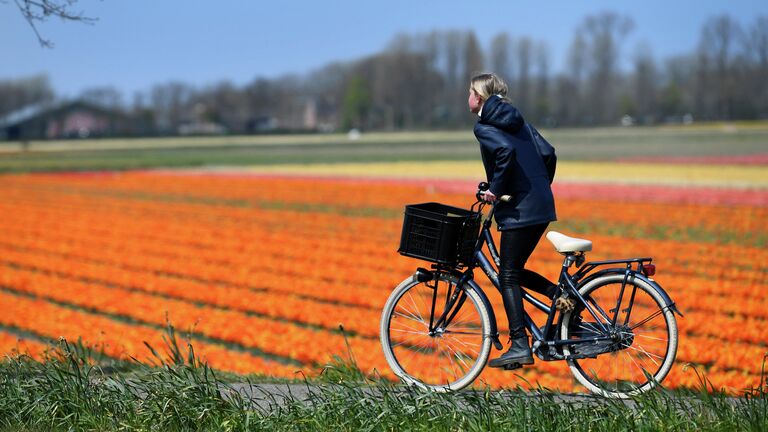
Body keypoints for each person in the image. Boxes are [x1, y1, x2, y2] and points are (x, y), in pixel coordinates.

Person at [468, 73, 558, 369]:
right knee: (515, 271)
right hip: (541, 205)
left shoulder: (484, 126)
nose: (467, 98)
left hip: (521, 210)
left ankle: (519, 344)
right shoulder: (519, 120)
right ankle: (561, 297)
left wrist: (496, 189)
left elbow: (504, 152)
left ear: (478, 97)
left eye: (469, 92)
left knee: (506, 275)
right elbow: (549, 154)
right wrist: (537, 187)